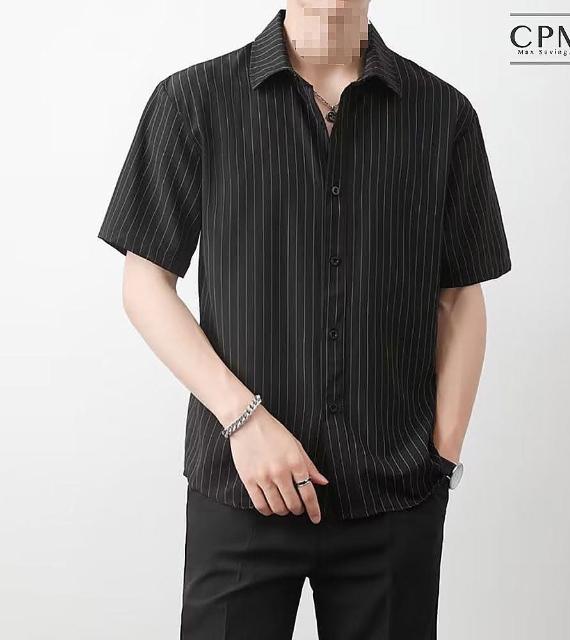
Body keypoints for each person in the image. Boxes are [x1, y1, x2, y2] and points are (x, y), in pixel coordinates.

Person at [97, 2, 511, 638]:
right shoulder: (194, 100)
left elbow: (458, 295)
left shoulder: (443, 113)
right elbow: (144, 283)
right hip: (241, 489)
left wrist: (441, 463)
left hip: (396, 499)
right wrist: (243, 418)